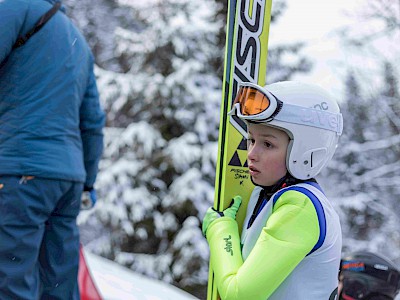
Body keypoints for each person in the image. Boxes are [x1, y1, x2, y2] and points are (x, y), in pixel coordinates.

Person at [0, 0, 105, 299]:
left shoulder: (14, 11)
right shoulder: (77, 41)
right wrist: (87, 182)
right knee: (58, 286)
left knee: (10, 283)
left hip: (20, 172)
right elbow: (93, 123)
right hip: (66, 183)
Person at [202, 81, 344, 299]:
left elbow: (239, 295)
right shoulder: (265, 195)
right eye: (251, 140)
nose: (251, 153)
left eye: (267, 144)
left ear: (305, 150)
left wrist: (220, 231)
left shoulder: (300, 208)